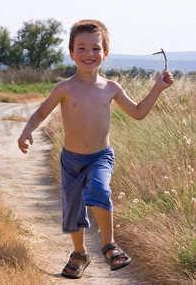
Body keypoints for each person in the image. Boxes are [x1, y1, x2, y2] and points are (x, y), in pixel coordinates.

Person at [17, 19, 174, 279]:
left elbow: (137, 113)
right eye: (81, 48)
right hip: (71, 161)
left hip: (101, 157)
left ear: (105, 54)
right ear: (71, 53)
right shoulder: (64, 88)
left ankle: (109, 245)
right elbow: (41, 112)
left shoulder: (111, 88)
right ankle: (79, 254)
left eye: (95, 48)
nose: (89, 54)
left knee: (100, 190)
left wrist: (158, 87)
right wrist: (26, 131)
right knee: (74, 209)